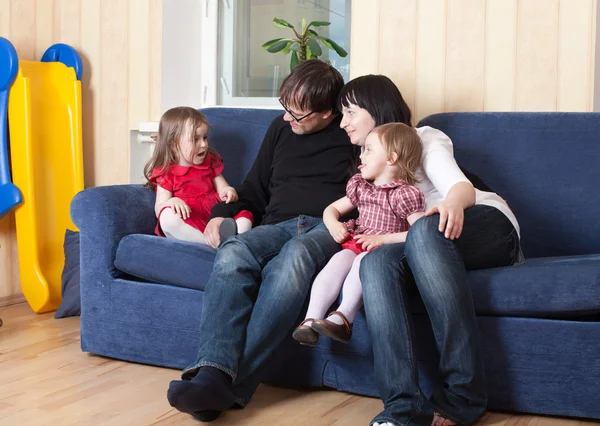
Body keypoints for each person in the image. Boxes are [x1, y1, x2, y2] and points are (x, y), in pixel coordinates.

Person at [165, 60, 357, 421]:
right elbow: (254, 188)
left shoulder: (352, 133)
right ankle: (214, 373)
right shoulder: (280, 129)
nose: (287, 119)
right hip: (278, 223)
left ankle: (221, 386)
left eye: (297, 115)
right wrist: (220, 216)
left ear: (328, 113)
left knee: (293, 259)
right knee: (234, 250)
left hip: (327, 227)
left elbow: (385, 180)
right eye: (285, 109)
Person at [337, 75, 522, 426]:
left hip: (485, 224)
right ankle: (402, 408)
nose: (343, 122)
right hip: (426, 240)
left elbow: (459, 186)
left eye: (350, 111)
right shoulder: (369, 168)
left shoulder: (424, 137)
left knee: (423, 230)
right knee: (374, 263)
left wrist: (452, 204)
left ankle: (463, 396)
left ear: (375, 109)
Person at [292, 123, 425, 346]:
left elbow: (421, 233)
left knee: (364, 260)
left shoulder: (404, 194)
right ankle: (310, 319)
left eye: (369, 150)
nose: (361, 155)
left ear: (391, 158)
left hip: (385, 252)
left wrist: (383, 239)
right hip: (359, 241)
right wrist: (333, 223)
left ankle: (343, 318)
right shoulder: (361, 185)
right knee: (339, 259)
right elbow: (331, 209)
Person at [144, 107, 253, 245]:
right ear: (173, 145)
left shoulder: (210, 161)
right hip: (191, 218)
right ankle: (211, 244)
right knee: (167, 218)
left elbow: (223, 187)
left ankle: (232, 242)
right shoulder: (166, 172)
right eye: (195, 139)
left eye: (205, 138)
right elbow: (159, 206)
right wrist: (171, 202)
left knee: (245, 215)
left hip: (215, 215)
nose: (204, 144)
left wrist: (228, 191)